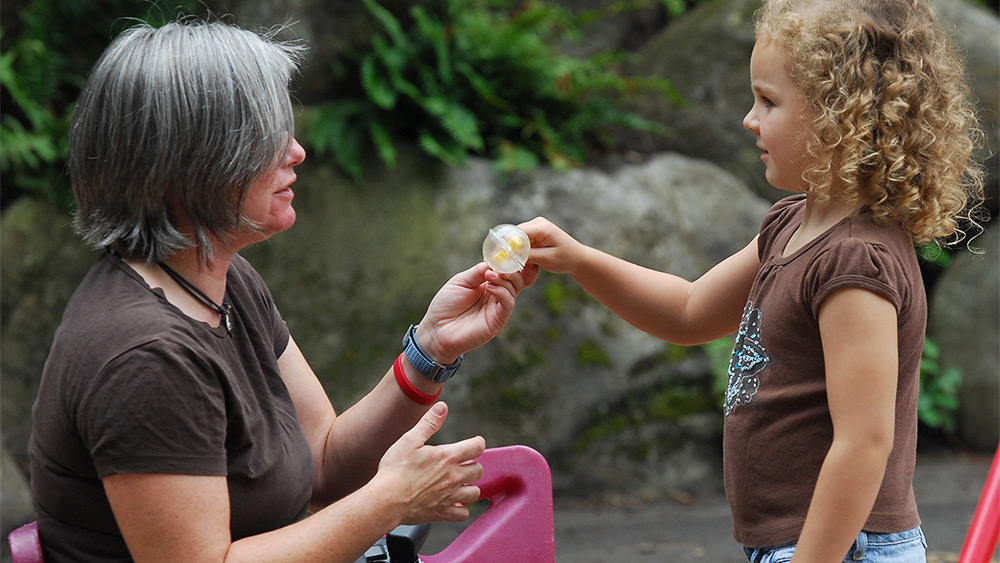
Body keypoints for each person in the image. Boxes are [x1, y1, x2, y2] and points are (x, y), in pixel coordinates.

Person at [28, 18, 538, 563]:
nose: (295, 152)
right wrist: (389, 501)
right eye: (265, 139)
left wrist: (432, 350)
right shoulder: (146, 357)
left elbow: (323, 468)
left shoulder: (222, 281)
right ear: (182, 167)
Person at [521, 0, 986, 561]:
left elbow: (863, 444)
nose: (749, 118)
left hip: (845, 548)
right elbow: (690, 311)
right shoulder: (791, 225)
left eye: (768, 100)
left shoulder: (854, 264)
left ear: (843, 118)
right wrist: (580, 260)